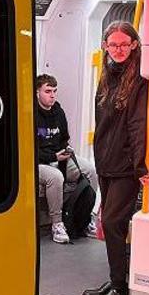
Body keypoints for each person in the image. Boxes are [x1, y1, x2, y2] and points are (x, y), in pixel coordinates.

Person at [82, 21, 149, 295]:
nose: (119, 50)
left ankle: (120, 290)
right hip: (106, 161)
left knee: (112, 222)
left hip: (125, 165)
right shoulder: (107, 75)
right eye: (113, 45)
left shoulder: (141, 79)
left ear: (134, 44)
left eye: (124, 44)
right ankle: (116, 279)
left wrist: (140, 165)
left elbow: (137, 125)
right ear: (105, 47)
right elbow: (103, 123)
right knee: (110, 224)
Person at [35, 73, 97, 244]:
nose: (52, 95)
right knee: (56, 177)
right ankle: (57, 224)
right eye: (48, 91)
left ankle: (86, 217)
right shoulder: (30, 113)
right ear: (37, 92)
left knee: (90, 170)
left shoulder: (58, 111)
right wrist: (53, 156)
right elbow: (29, 150)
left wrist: (65, 150)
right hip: (38, 163)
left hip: (59, 157)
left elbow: (64, 138)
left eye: (54, 91)